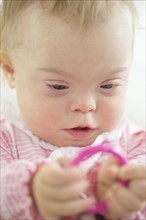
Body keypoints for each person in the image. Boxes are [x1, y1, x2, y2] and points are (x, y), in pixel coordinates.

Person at [0, 0, 145, 219]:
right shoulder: (5, 141)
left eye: (108, 85)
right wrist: (30, 191)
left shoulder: (136, 149)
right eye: (59, 86)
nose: (86, 105)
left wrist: (128, 205)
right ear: (11, 71)